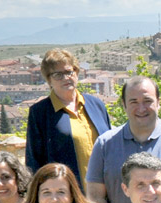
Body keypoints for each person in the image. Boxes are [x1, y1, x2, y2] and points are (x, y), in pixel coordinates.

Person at [25, 48, 112, 189]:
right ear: (49, 79)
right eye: (58, 75)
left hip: (105, 193)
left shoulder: (96, 105)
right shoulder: (40, 113)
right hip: (67, 194)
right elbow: (34, 162)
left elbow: (111, 147)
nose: (66, 78)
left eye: (69, 72)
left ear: (76, 72)